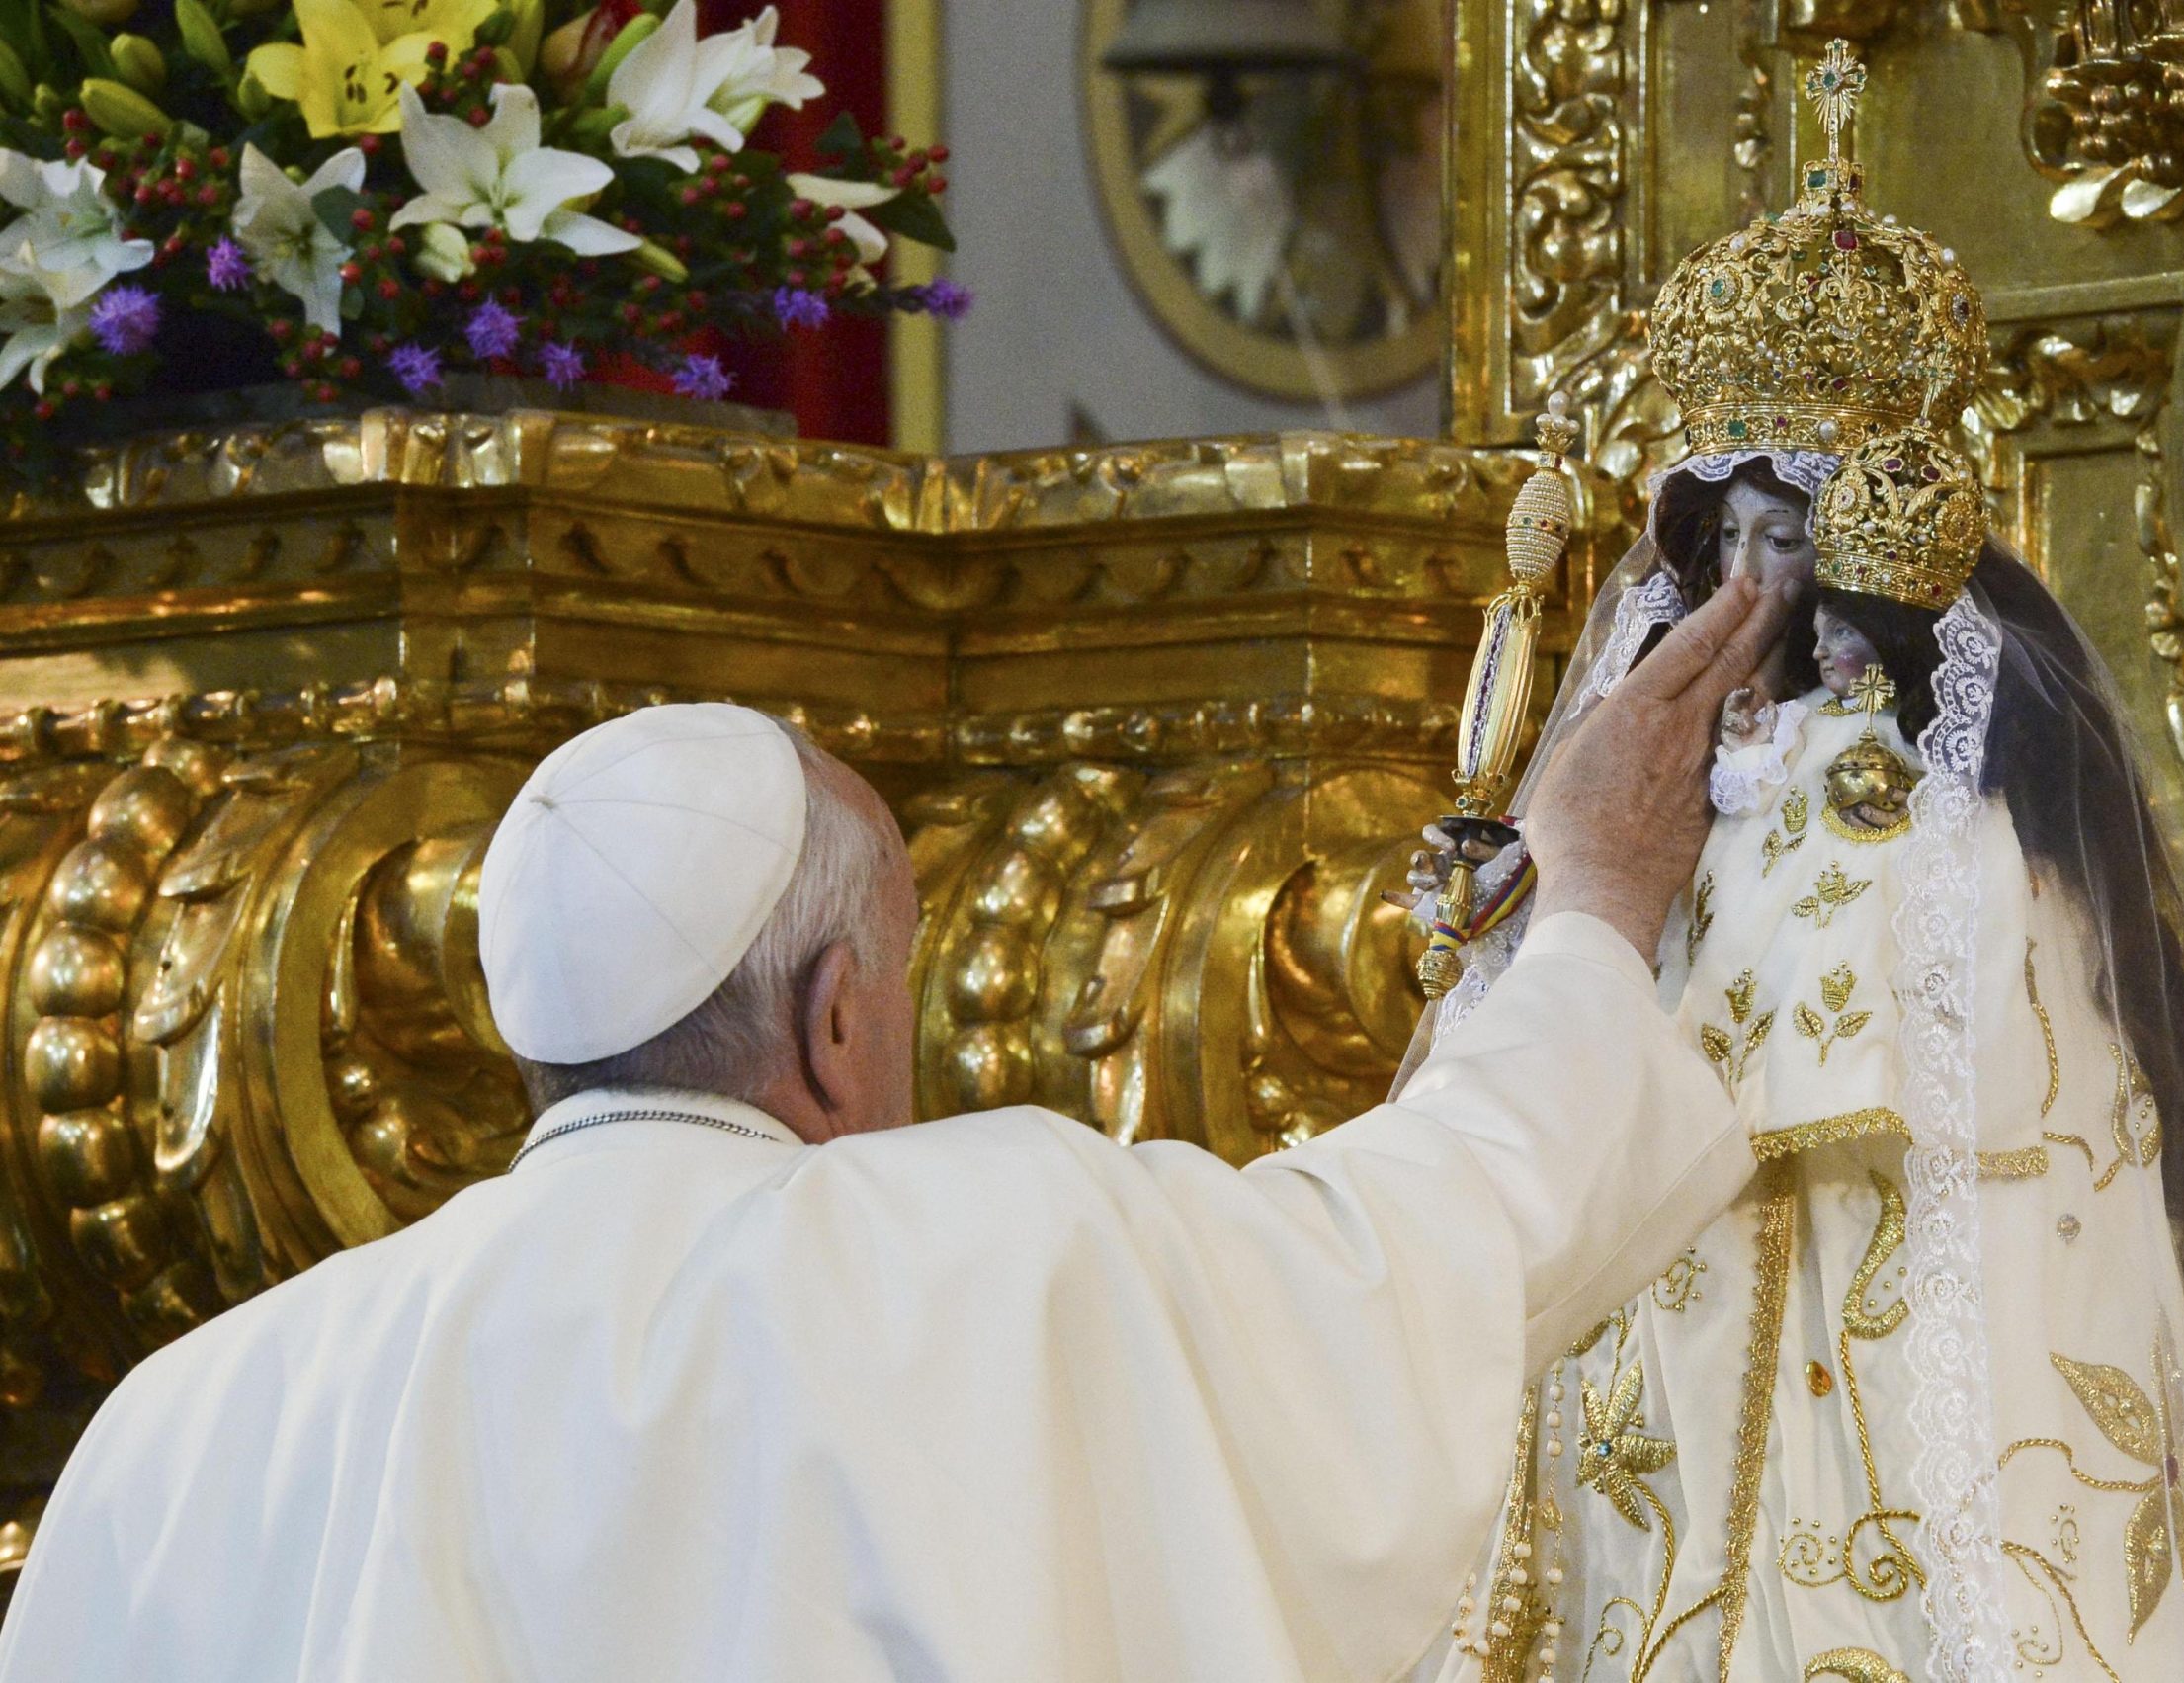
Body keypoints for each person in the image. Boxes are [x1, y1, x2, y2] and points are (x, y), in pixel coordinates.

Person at [0, 571, 1795, 1682]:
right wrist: (1592, 904)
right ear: (838, 1015)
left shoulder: (184, 1424)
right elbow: (1447, 1234)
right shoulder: (980, 1255)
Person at [1401, 46, 2184, 1683]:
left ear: (1860, 546)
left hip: (1872, 1297)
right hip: (1661, 1297)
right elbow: (1537, 1013)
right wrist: (1510, 915)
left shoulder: (1944, 791)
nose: (1750, 585)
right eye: (1727, 541)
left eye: (1787, 541)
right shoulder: (1658, 762)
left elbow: (1950, 1040)